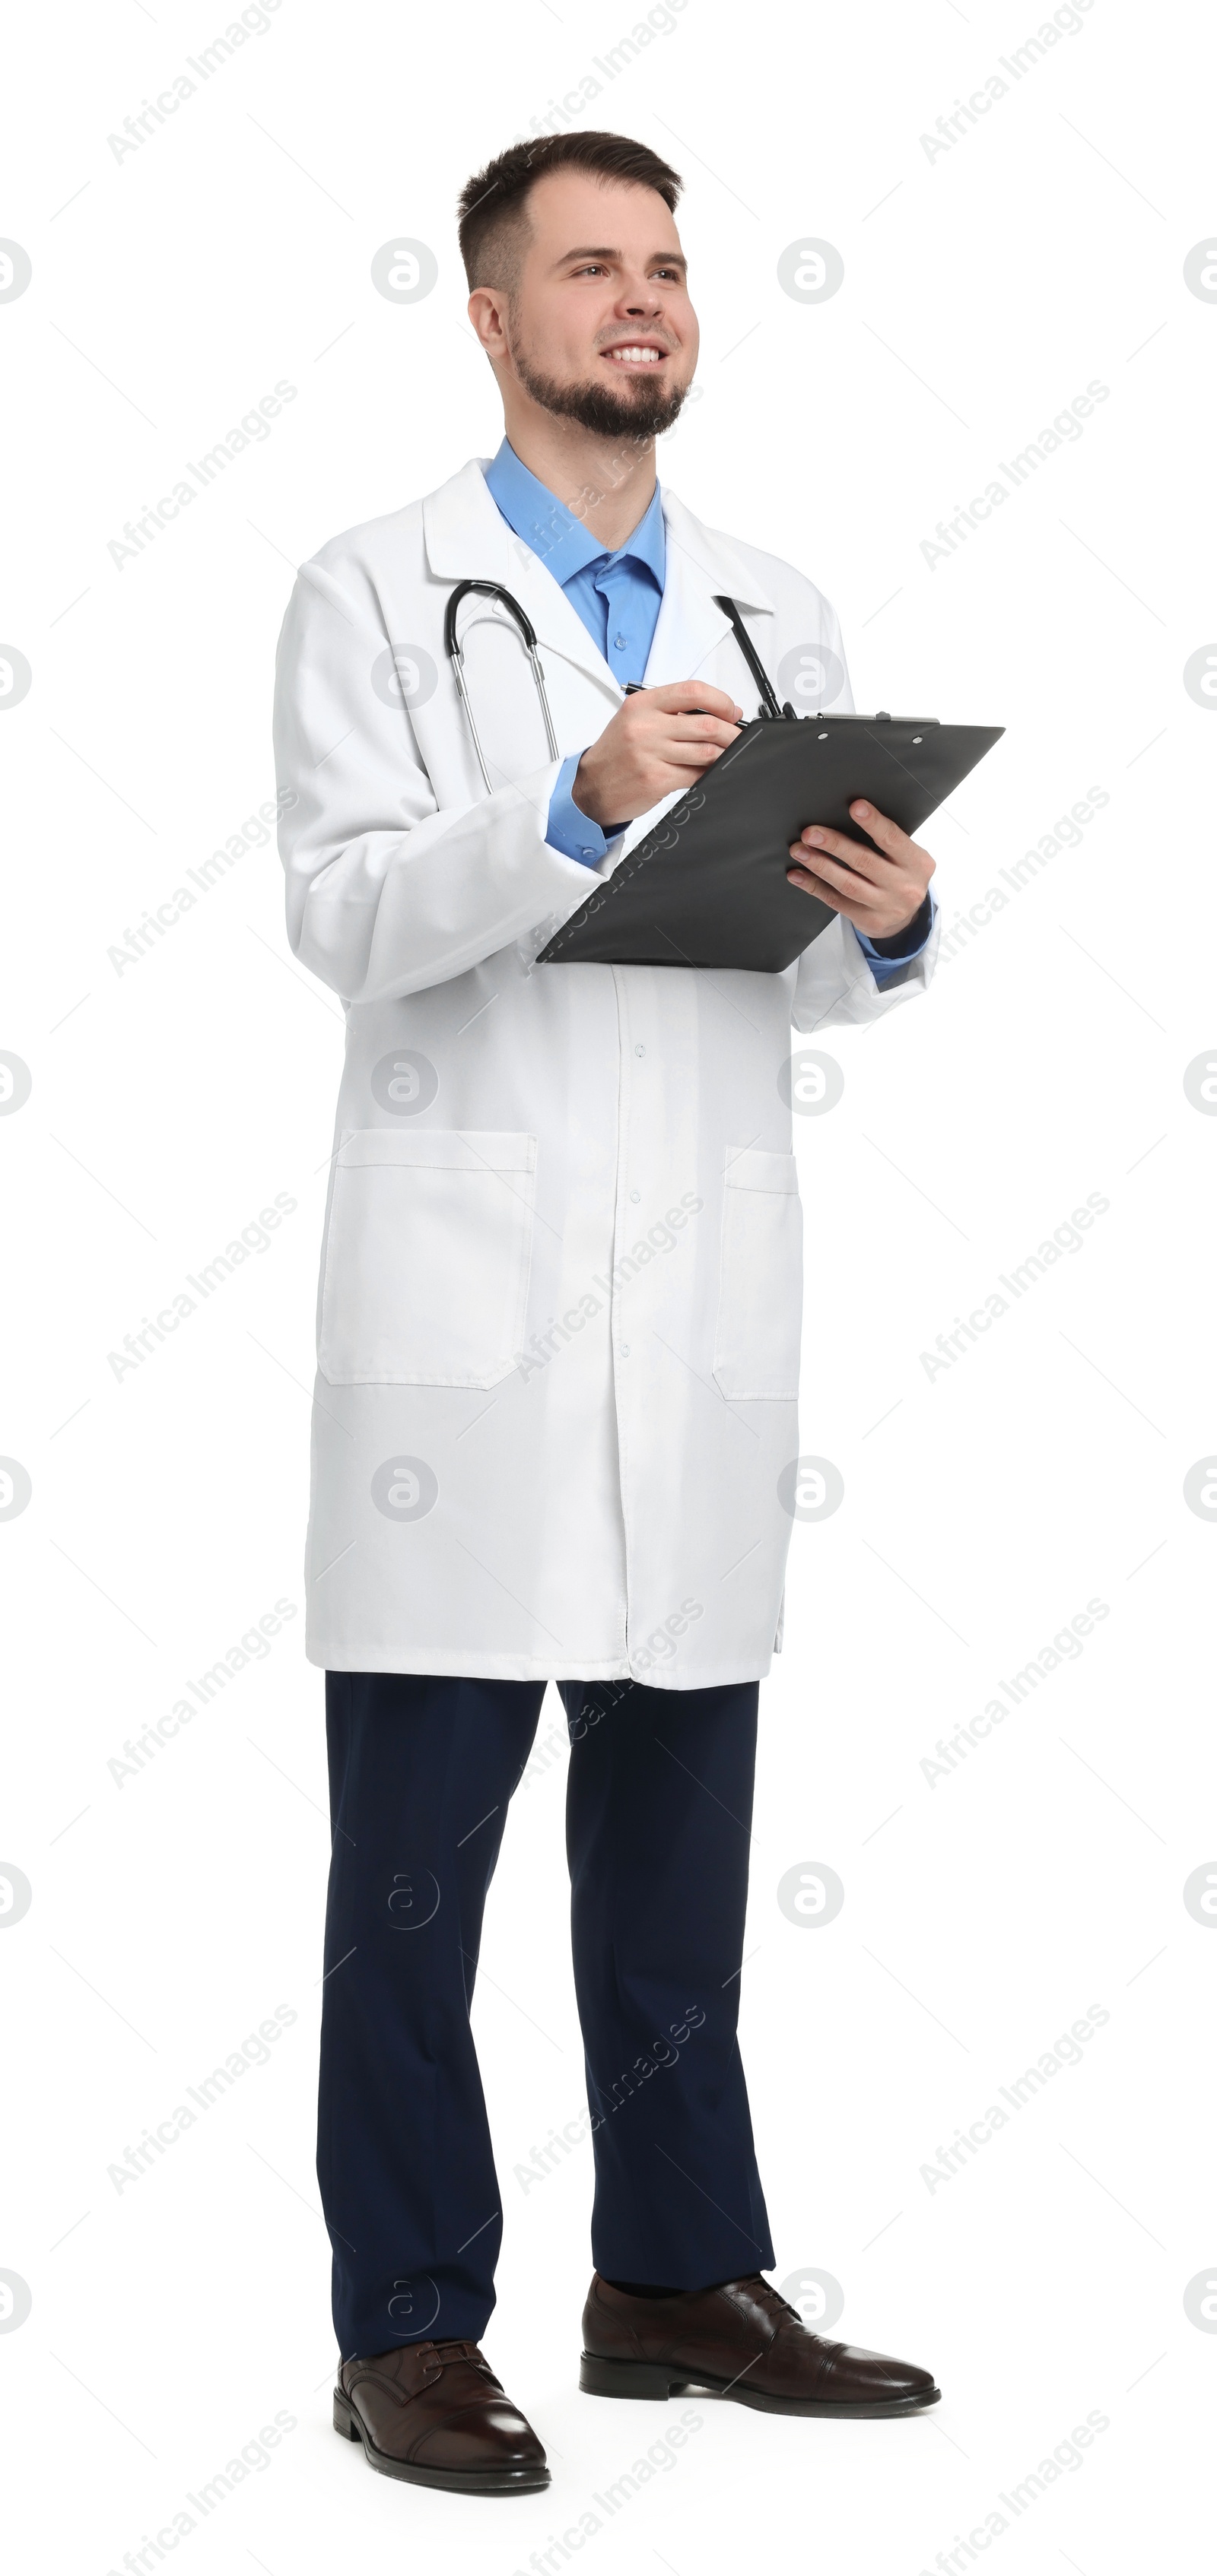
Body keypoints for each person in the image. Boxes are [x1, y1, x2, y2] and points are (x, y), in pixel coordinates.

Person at [272, 128, 942, 2498]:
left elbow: (823, 989)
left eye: (665, 267)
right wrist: (565, 795)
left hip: (702, 1318)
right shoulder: (374, 592)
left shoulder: (772, 611)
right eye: (590, 269)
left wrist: (890, 905)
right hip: (469, 1339)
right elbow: (345, 920)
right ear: (489, 315)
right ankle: (407, 2327)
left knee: (673, 1863)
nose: (641, 301)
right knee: (414, 1890)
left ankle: (674, 2272)